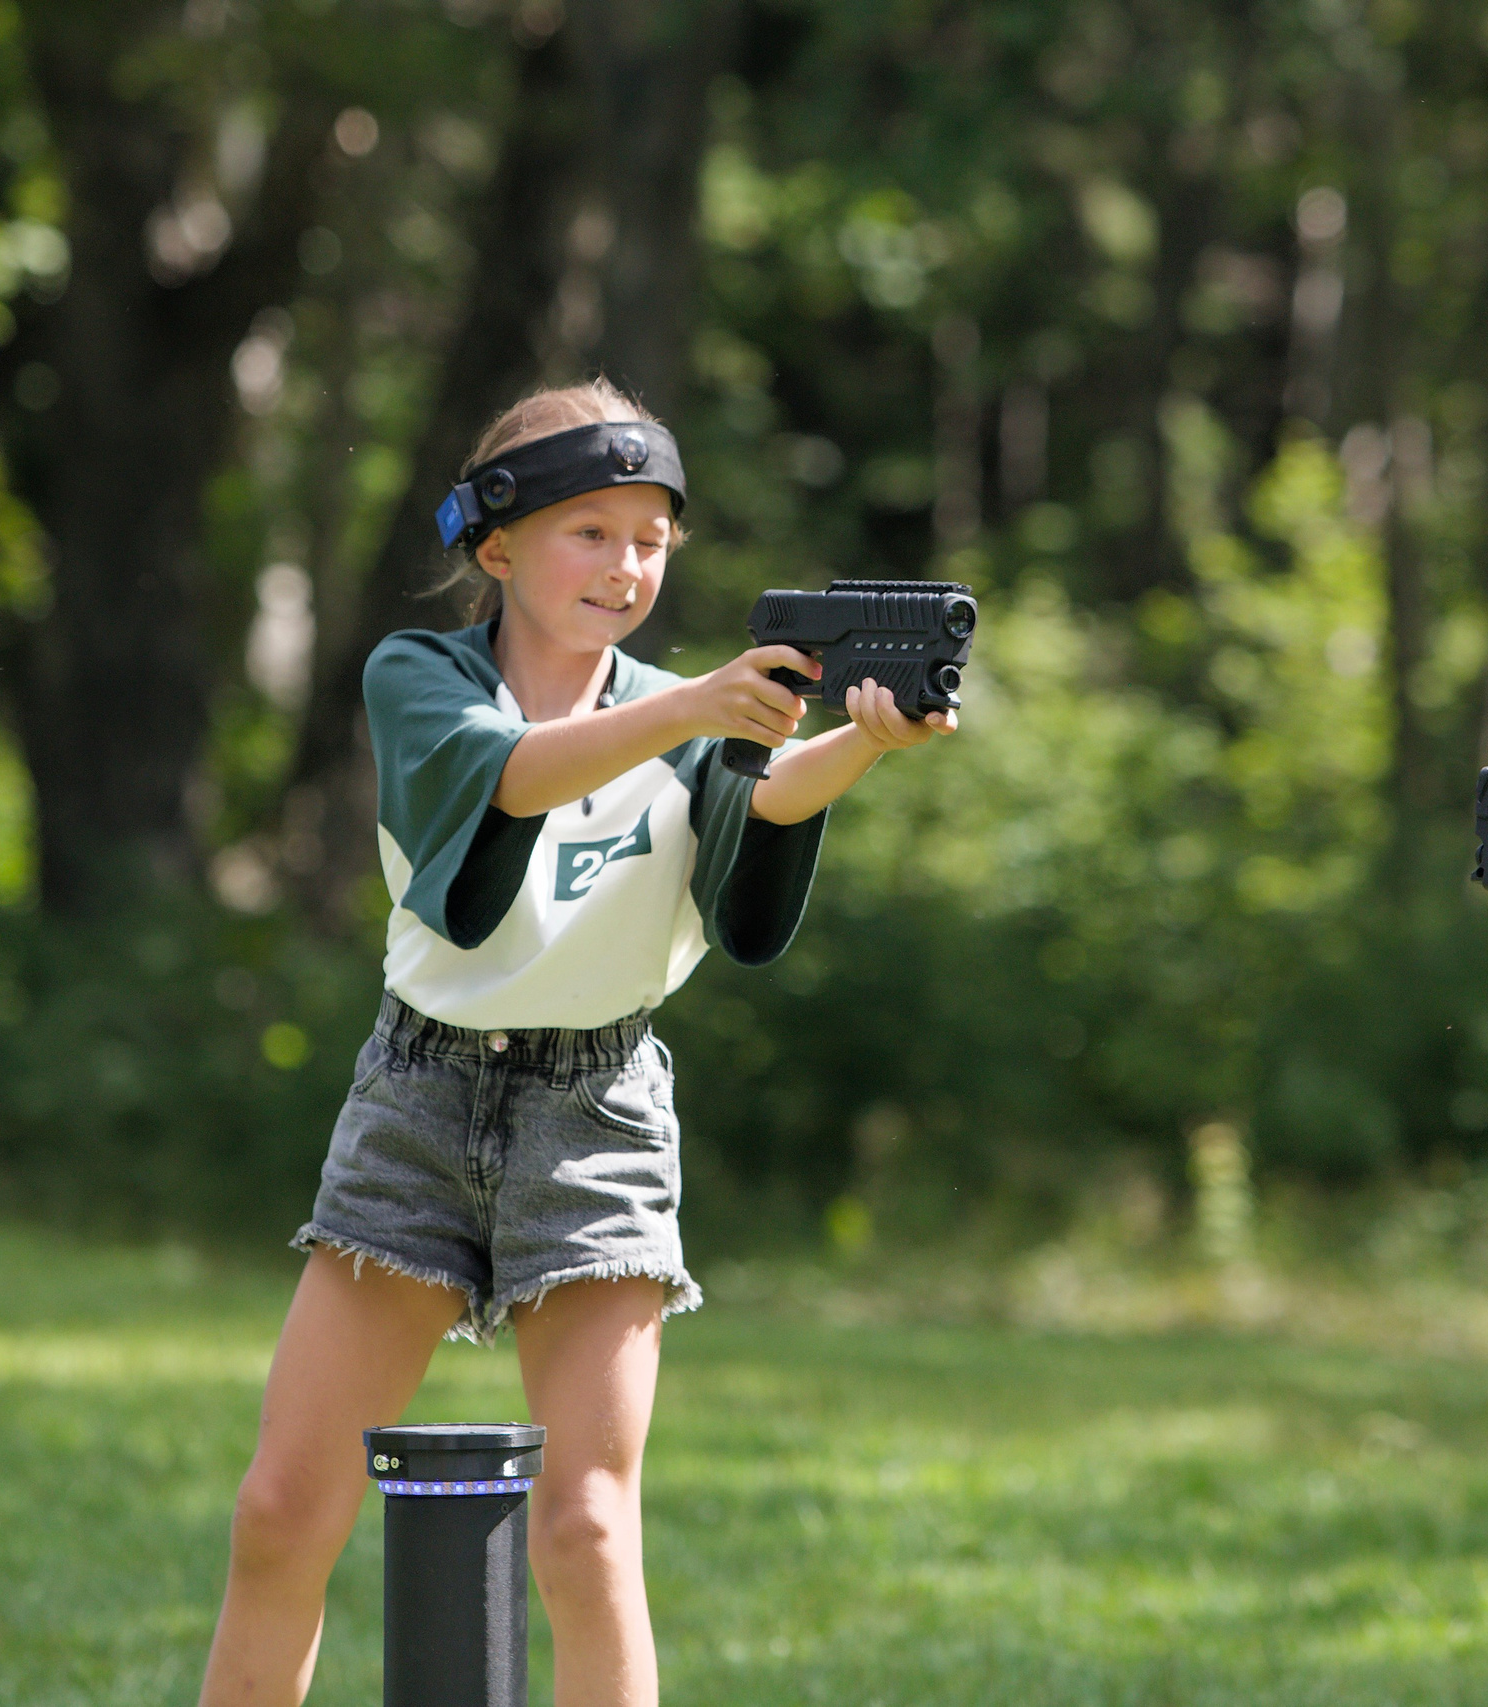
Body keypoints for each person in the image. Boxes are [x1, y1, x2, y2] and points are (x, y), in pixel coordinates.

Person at [196, 379, 954, 1707]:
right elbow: (509, 775)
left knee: (590, 1529)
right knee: (281, 1510)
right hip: (420, 1098)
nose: (628, 566)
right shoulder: (419, 675)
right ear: (496, 546)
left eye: (653, 538)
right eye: (589, 532)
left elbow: (759, 803)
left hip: (597, 1111)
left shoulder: (690, 709)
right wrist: (697, 710)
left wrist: (863, 747)